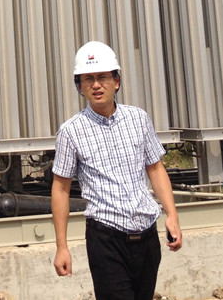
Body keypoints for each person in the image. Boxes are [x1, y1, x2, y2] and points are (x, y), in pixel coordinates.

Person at [51, 41, 182, 300]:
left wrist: (172, 214)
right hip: (106, 239)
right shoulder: (70, 131)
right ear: (80, 87)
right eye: (88, 79)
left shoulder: (138, 119)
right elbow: (61, 189)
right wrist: (61, 247)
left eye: (103, 77)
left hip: (147, 236)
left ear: (117, 81)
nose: (96, 85)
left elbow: (155, 168)